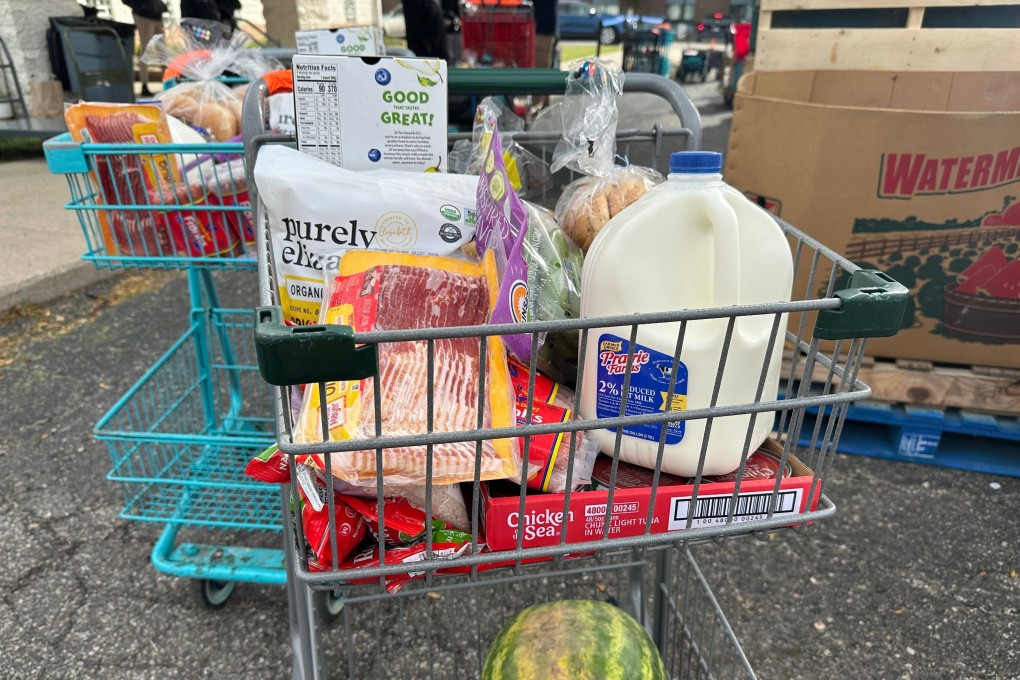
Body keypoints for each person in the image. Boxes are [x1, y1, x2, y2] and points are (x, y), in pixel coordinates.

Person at [123, 0, 168, 97]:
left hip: (156, 12)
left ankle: (168, 80)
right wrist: (140, 5)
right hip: (143, 14)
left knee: (162, 48)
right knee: (146, 48)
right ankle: (144, 84)